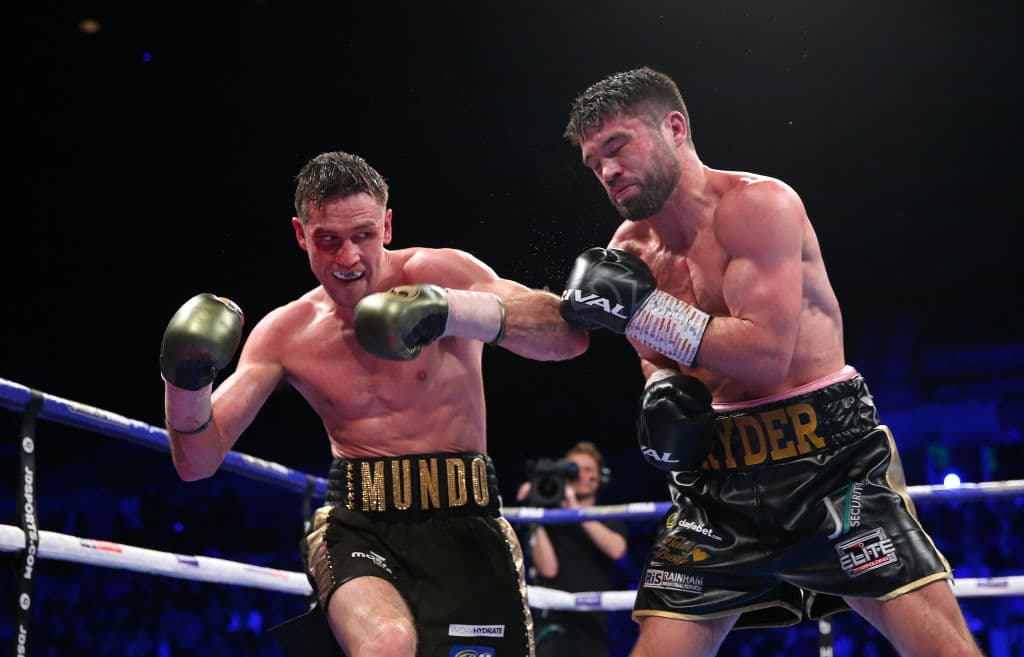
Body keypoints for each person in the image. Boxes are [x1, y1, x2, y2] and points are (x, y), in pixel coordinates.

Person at [558, 67, 982, 657]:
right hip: (718, 477)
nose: (606, 170)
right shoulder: (629, 251)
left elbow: (763, 354)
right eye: (592, 163)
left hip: (827, 459)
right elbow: (657, 359)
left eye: (616, 147)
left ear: (674, 127)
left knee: (943, 650)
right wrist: (660, 392)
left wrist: (641, 310)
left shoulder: (759, 205)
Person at [158, 150, 589, 657]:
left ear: (386, 225)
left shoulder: (439, 271)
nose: (348, 259)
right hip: (357, 522)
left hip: (468, 519)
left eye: (363, 235)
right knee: (386, 642)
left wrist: (449, 310)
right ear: (301, 234)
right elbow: (197, 460)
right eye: (328, 240)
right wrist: (184, 382)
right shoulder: (285, 332)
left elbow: (566, 337)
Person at [516, 441, 628, 657]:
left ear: (600, 478)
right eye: (574, 469)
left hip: (594, 625)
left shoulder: (609, 517)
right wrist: (533, 513)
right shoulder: (549, 521)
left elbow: (617, 551)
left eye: (588, 470)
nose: (580, 475)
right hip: (553, 621)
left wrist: (576, 510)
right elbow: (548, 569)